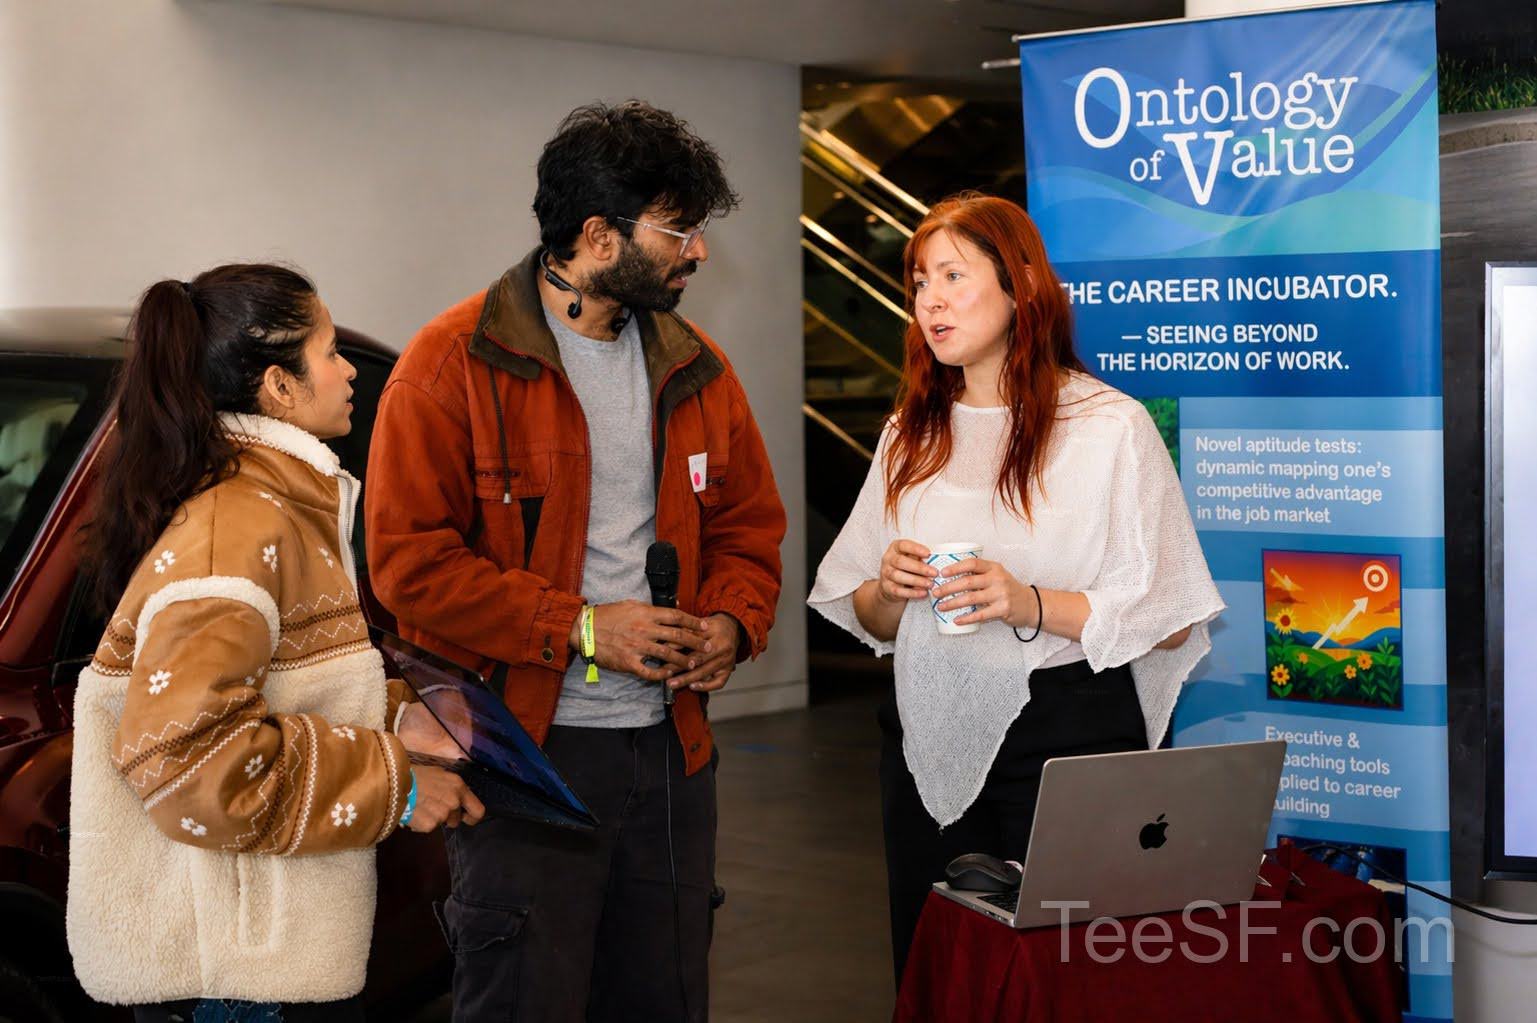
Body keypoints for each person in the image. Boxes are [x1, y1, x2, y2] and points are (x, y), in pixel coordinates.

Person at [364, 100, 786, 1022]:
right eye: (678, 228)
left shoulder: (698, 366)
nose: (699, 251)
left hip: (673, 754)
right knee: (526, 997)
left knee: (662, 996)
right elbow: (409, 566)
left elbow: (751, 530)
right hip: (528, 758)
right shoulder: (448, 367)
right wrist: (586, 628)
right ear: (597, 236)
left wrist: (729, 620)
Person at [808, 193, 1224, 986]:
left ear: (1021, 286)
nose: (930, 300)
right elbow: (863, 610)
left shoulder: (1108, 426)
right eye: (919, 281)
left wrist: (1025, 600)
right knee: (940, 965)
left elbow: (1169, 619)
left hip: (1067, 731)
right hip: (925, 731)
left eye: (953, 276)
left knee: (1067, 973)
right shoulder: (911, 431)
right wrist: (889, 590)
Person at [68, 264, 484, 1022]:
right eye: (329, 351)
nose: (349, 368)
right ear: (278, 386)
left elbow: (278, 683)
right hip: (237, 983)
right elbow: (191, 759)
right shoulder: (240, 525)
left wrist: (397, 716)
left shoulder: (275, 506)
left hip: (258, 965)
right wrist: (400, 787)